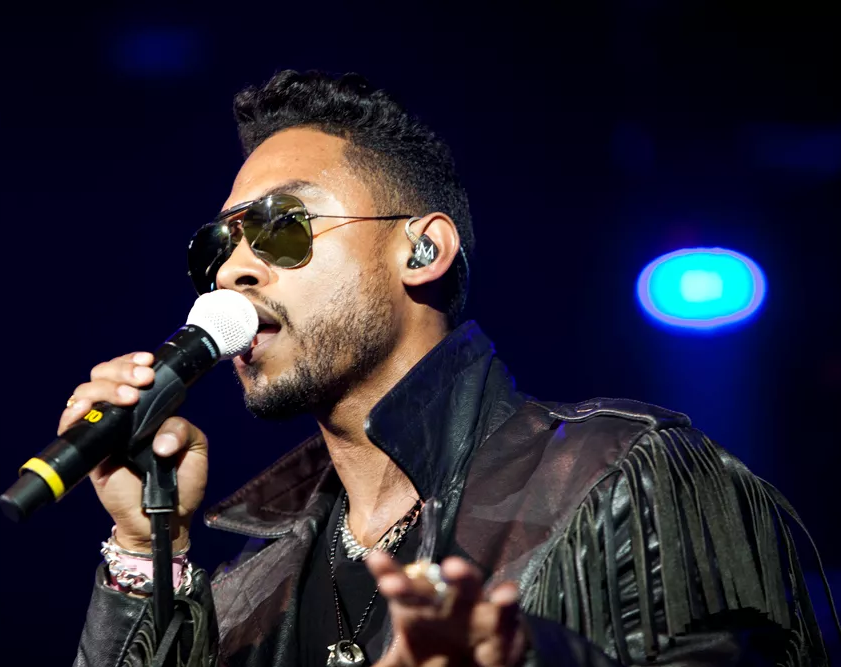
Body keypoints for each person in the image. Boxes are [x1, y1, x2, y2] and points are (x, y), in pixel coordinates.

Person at [67, 70, 835, 667]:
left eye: (282, 225)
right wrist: (143, 543)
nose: (232, 269)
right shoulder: (249, 593)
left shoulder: (616, 473)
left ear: (423, 249)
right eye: (218, 246)